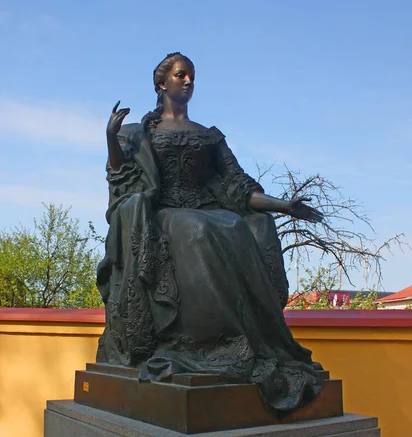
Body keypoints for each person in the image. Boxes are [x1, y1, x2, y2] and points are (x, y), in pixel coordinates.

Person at [97, 52, 323, 412]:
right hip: (165, 214)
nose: (188, 82)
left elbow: (240, 188)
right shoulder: (138, 134)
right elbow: (120, 178)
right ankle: (212, 341)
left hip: (207, 208)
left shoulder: (210, 136)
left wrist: (286, 207)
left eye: (191, 77)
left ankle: (246, 339)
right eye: (181, 75)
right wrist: (111, 138)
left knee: (236, 224)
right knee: (199, 229)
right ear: (162, 83)